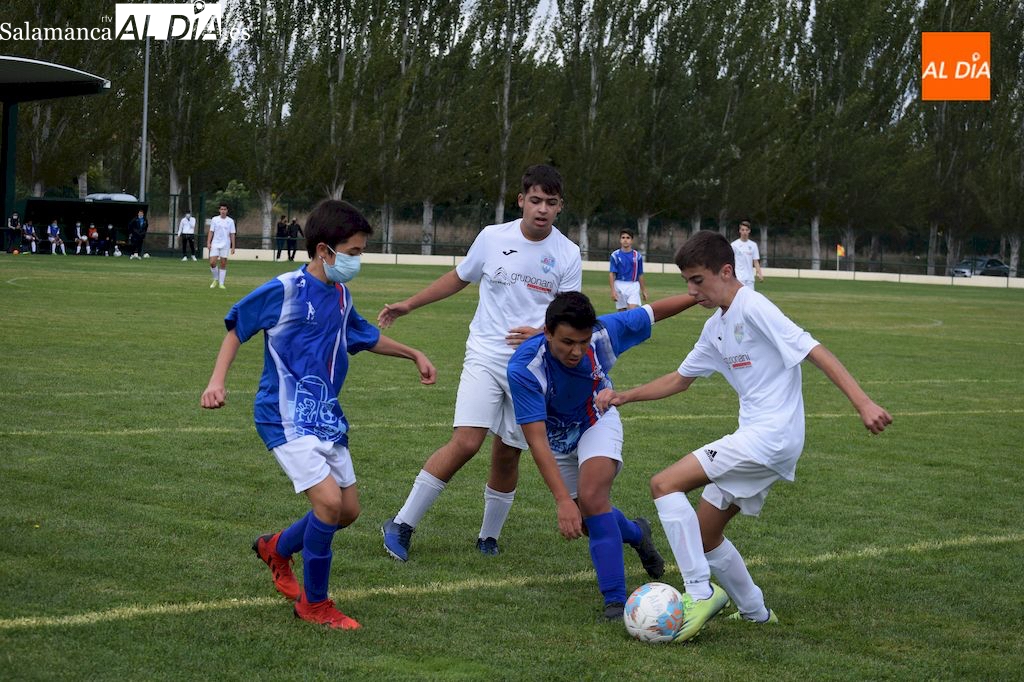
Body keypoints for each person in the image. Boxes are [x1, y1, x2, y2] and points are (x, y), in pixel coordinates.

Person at [595, 230, 892, 642]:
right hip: (763, 439)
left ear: (727, 271)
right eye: (687, 282)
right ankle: (756, 612)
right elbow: (680, 380)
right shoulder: (716, 326)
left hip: (770, 438)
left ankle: (699, 593)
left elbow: (814, 350)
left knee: (664, 485)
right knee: (705, 532)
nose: (692, 291)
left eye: (698, 280)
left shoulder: (753, 306)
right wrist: (623, 395)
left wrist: (863, 403)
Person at [200, 199, 437, 629]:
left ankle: (276, 547)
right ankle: (314, 604)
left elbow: (363, 337)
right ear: (324, 250)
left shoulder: (342, 295)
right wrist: (217, 381)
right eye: (353, 253)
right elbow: (238, 326)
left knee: (347, 511)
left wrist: (412, 353)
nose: (357, 261)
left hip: (325, 416)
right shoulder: (286, 289)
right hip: (283, 415)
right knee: (328, 505)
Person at [379, 164, 583, 561]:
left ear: (560, 208)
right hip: (486, 357)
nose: (542, 209)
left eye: (551, 203)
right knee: (467, 441)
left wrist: (541, 334)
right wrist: (409, 303)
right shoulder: (492, 238)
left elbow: (570, 315)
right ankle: (402, 524)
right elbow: (458, 277)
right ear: (521, 200)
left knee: (508, 451)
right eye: (536, 200)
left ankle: (488, 536)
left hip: (532, 368)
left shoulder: (568, 253)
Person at [507, 290, 698, 620]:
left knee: (594, 498)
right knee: (588, 522)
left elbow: (653, 312)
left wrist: (699, 294)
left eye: (582, 342)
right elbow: (536, 440)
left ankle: (616, 601)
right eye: (567, 342)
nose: (577, 351)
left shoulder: (604, 333)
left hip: (598, 417)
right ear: (547, 332)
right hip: (557, 438)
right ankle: (638, 533)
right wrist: (563, 501)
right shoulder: (524, 368)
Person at [609, 229, 649, 311]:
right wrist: (613, 291)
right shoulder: (615, 255)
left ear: (632, 240)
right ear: (620, 240)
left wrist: (643, 290)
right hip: (619, 285)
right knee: (622, 313)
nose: (625, 240)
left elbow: (640, 274)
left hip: (633, 285)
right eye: (623, 237)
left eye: (628, 238)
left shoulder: (637, 256)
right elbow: (612, 274)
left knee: (631, 311)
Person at [207, 203, 236, 289]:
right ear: (219, 210)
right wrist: (209, 242)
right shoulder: (214, 219)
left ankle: (221, 283)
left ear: (227, 211)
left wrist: (233, 246)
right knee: (212, 262)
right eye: (221, 209)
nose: (223, 211)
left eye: (225, 209)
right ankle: (215, 278)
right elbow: (211, 231)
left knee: (223, 263)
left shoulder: (230, 221)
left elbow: (232, 234)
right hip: (215, 243)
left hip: (225, 244)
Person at [731, 221, 764, 290]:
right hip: (739, 278)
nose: (744, 232)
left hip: (750, 279)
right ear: (740, 231)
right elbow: (731, 260)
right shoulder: (734, 245)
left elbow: (755, 261)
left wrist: (759, 273)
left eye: (746, 230)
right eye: (743, 230)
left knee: (750, 299)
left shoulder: (753, 245)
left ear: (749, 231)